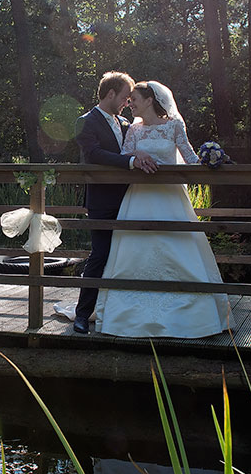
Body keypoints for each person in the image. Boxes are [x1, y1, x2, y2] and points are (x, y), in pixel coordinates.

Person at [94, 81, 230, 338]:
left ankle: (190, 316)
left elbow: (189, 158)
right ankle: (127, 316)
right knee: (134, 253)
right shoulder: (133, 129)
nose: (130, 103)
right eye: (129, 99)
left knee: (178, 250)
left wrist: (211, 159)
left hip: (170, 199)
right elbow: (124, 155)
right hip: (139, 200)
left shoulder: (175, 126)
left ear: (150, 100)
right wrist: (137, 156)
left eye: (134, 99)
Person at [70, 72, 157, 334]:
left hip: (131, 198)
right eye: (123, 97)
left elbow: (135, 146)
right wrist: (130, 161)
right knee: (100, 254)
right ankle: (83, 314)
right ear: (110, 94)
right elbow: (94, 154)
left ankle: (128, 311)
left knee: (131, 254)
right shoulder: (85, 122)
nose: (126, 103)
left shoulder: (125, 123)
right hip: (102, 200)